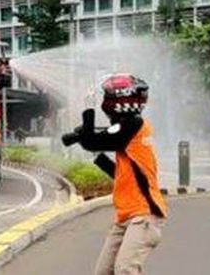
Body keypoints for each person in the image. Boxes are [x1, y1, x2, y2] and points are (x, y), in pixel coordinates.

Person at [76, 74, 167, 275]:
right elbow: (121, 174)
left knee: (125, 269)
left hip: (143, 214)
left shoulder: (133, 126)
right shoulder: (128, 130)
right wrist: (97, 155)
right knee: (103, 272)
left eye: (106, 98)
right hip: (126, 216)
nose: (104, 103)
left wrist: (88, 110)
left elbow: (92, 140)